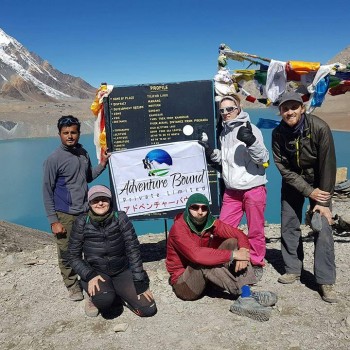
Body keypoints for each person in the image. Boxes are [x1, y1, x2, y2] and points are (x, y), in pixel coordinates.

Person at [166, 193, 277, 322]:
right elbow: (196, 255)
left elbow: (237, 234)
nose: (200, 212)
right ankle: (245, 295)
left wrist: (243, 252)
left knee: (232, 242)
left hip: (206, 281)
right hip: (185, 285)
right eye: (195, 208)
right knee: (204, 261)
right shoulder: (178, 228)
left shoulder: (209, 222)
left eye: (204, 208)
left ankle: (246, 291)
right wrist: (234, 255)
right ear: (187, 209)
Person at [272, 91, 337, 303]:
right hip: (293, 182)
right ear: (280, 111)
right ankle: (292, 268)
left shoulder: (319, 127)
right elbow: (282, 166)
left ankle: (325, 280)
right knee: (289, 223)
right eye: (285, 108)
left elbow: (328, 164)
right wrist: (307, 191)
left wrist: (322, 201)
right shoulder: (278, 134)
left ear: (302, 108)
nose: (289, 111)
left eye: (293, 107)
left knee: (322, 224)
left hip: (320, 180)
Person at [199, 95, 269, 281]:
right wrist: (209, 151)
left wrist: (251, 142)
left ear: (238, 108)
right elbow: (224, 159)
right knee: (224, 228)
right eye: (222, 111)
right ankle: (225, 257)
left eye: (229, 109)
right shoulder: (225, 132)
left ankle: (256, 262)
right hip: (232, 191)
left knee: (255, 230)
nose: (225, 113)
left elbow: (263, 158)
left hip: (253, 188)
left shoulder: (250, 128)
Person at [42, 115, 110, 301]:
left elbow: (87, 177)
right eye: (66, 133)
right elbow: (47, 191)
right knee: (66, 252)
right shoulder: (54, 159)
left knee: (89, 249)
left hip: (85, 212)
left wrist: (103, 164)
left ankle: (89, 279)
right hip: (65, 214)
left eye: (73, 132)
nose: (70, 136)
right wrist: (53, 221)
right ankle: (72, 285)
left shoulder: (83, 153)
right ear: (59, 134)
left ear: (79, 133)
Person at [68, 185, 157, 318]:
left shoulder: (120, 218)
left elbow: (133, 250)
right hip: (96, 273)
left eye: (104, 199)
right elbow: (73, 255)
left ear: (110, 201)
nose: (100, 203)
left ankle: (119, 292)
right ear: (89, 203)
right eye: (95, 200)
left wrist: (139, 282)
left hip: (121, 271)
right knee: (105, 302)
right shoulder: (82, 222)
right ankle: (93, 295)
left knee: (148, 309)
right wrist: (89, 275)